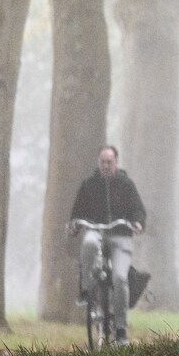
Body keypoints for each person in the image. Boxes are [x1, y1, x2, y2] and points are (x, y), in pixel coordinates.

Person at [68, 144, 147, 343]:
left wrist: (138, 223)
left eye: (109, 162)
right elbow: (77, 212)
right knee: (88, 243)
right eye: (102, 162)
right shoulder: (88, 185)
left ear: (116, 162)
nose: (105, 166)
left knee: (120, 278)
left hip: (120, 235)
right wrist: (75, 224)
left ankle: (121, 329)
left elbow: (138, 210)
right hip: (96, 231)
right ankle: (87, 289)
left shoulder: (126, 185)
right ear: (98, 162)